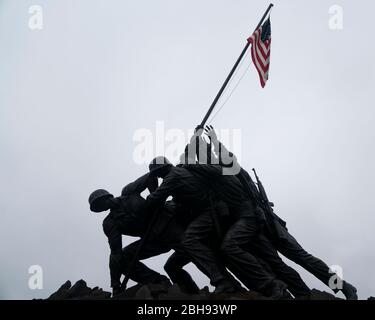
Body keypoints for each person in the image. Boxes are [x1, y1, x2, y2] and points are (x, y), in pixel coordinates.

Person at [205, 125, 358, 300]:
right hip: (258, 228)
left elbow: (225, 158)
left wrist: (214, 141)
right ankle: (303, 294)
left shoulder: (235, 171)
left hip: (269, 222)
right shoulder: (222, 180)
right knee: (278, 265)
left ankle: (343, 286)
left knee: (303, 258)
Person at [88, 171, 191, 296]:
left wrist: (157, 200)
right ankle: (158, 281)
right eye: (98, 207)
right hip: (154, 240)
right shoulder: (110, 223)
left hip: (169, 223)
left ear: (106, 196)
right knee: (124, 258)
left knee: (193, 249)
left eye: (100, 203)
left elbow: (151, 177)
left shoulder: (128, 192)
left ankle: (216, 282)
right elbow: (116, 253)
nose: (102, 206)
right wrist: (115, 283)